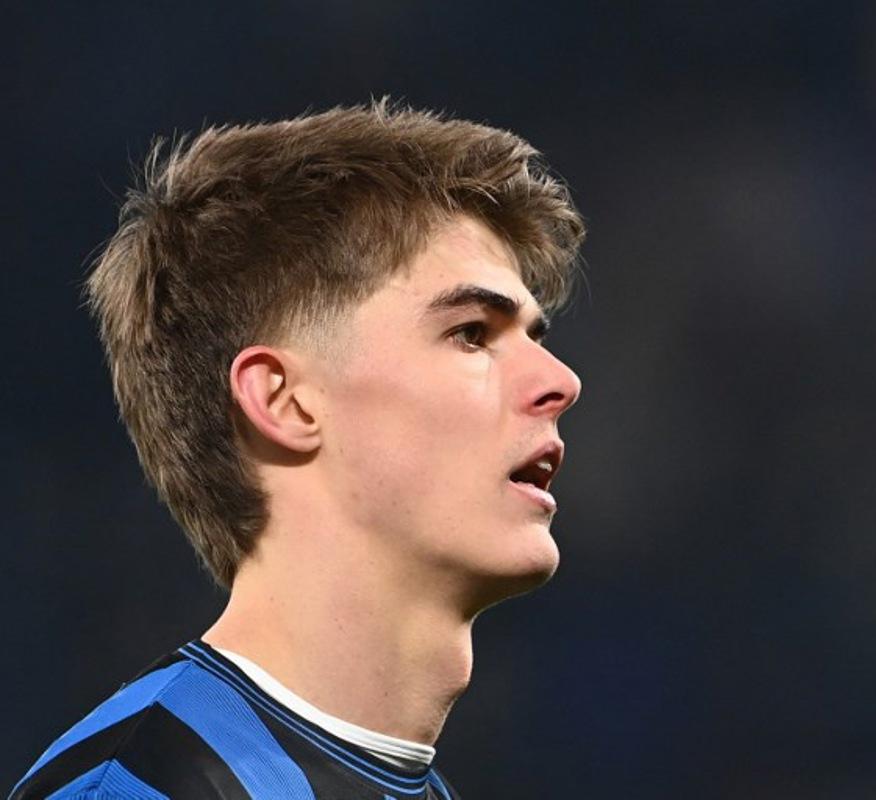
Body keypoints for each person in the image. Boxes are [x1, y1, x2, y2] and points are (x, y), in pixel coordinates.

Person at [10, 101, 584, 799]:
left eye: (535, 337)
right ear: (283, 401)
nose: (562, 382)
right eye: (471, 333)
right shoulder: (140, 786)